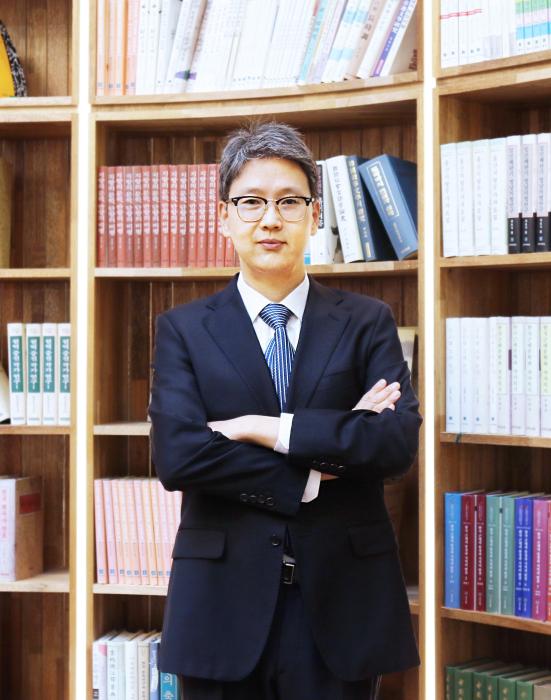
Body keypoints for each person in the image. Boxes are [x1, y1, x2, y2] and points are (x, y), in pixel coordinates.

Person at [149, 121, 422, 700]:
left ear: (314, 216)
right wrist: (315, 468)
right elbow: (180, 457)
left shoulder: (367, 321)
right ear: (224, 217)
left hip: (343, 601)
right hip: (221, 604)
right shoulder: (183, 330)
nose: (270, 220)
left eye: (289, 202)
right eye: (250, 202)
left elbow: (394, 444)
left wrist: (265, 429)